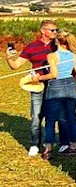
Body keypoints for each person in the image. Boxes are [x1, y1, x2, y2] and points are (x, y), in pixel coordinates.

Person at [5, 20, 58, 156]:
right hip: (37, 85)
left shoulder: (58, 46)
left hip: (55, 84)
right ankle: (35, 144)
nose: (55, 33)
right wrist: (9, 58)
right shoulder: (31, 47)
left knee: (52, 116)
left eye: (56, 30)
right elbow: (15, 65)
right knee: (36, 116)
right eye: (52, 30)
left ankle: (49, 145)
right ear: (43, 31)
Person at [36, 29, 76, 161]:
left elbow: (54, 75)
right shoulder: (74, 56)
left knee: (50, 120)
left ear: (57, 41)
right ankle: (73, 146)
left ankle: (48, 149)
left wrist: (39, 78)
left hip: (56, 87)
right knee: (70, 117)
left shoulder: (52, 56)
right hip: (70, 86)